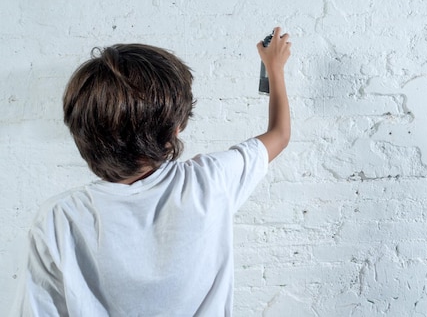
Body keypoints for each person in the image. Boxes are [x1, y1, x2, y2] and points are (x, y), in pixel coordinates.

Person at [12, 27, 291, 316]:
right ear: (175, 129)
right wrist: (274, 68)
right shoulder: (210, 181)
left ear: (82, 131)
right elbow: (280, 134)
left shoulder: (58, 218)